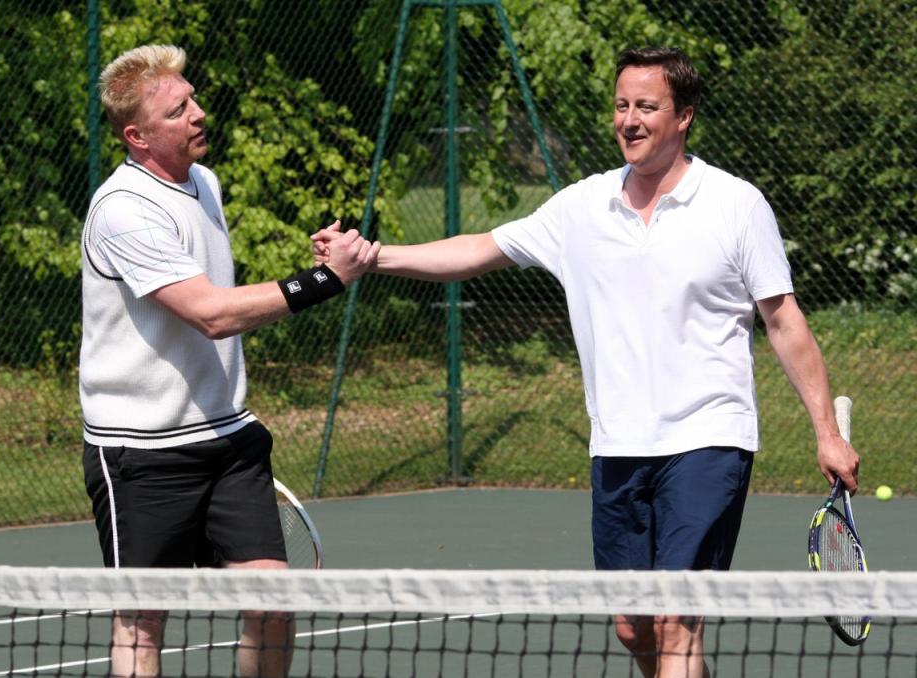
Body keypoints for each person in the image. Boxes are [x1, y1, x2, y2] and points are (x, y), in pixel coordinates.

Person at [313, 47, 859, 677]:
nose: (629, 119)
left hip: (709, 439)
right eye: (622, 105)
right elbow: (476, 250)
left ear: (683, 117)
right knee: (634, 627)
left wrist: (825, 433)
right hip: (618, 445)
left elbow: (784, 319)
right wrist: (371, 258)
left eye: (646, 107)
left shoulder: (737, 205)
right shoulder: (579, 209)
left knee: (677, 619)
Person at [80, 44, 380, 678]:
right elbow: (210, 312)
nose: (198, 113)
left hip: (228, 436)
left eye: (193, 98)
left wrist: (324, 269)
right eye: (178, 109)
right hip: (141, 451)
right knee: (142, 619)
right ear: (137, 136)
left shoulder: (204, 183)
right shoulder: (122, 211)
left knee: (273, 600)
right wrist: (323, 280)